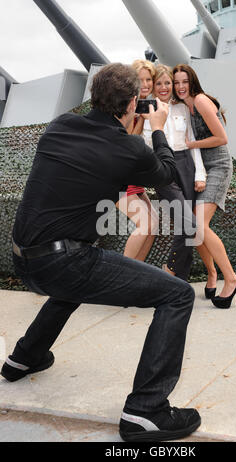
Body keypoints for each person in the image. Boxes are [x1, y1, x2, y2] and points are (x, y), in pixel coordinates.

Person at [0, 63, 201, 442]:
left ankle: (24, 357)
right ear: (131, 103)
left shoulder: (59, 125)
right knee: (177, 294)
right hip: (63, 262)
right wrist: (158, 129)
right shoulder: (126, 148)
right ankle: (146, 412)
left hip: (24, 257)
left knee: (73, 284)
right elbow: (166, 174)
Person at [172, 63, 236, 309]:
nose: (180, 87)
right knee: (195, 227)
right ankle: (212, 274)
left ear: (192, 82)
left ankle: (232, 279)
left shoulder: (201, 101)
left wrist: (189, 145)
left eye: (184, 82)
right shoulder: (182, 107)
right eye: (176, 82)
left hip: (219, 166)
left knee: (199, 225)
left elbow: (222, 138)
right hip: (200, 168)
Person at [138, 64, 207, 282]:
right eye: (159, 83)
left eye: (168, 83)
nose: (164, 87)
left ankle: (181, 280)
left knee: (183, 226)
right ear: (153, 86)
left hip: (186, 164)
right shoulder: (145, 110)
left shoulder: (182, 108)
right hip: (161, 168)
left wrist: (200, 175)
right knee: (189, 223)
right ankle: (169, 269)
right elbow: (140, 143)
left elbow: (192, 142)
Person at [116, 59, 158, 262]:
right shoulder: (125, 107)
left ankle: (136, 274)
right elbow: (128, 142)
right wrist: (140, 117)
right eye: (140, 80)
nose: (145, 84)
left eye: (149, 79)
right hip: (119, 179)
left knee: (153, 225)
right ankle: (123, 275)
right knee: (146, 224)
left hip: (134, 179)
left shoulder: (148, 108)